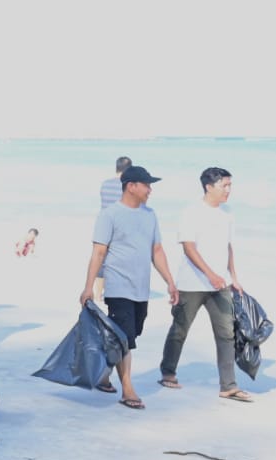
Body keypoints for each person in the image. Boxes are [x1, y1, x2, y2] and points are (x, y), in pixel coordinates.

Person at [79, 165, 181, 409]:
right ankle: (127, 390)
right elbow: (99, 252)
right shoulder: (110, 215)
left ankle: (104, 377)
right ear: (131, 186)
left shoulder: (150, 215)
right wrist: (88, 287)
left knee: (129, 335)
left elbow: (156, 250)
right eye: (147, 185)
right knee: (125, 338)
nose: (150, 190)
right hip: (118, 285)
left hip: (141, 287)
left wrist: (170, 282)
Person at [159, 167, 253, 402]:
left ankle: (228, 386)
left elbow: (228, 247)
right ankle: (168, 372)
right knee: (180, 330)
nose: (228, 190)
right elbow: (189, 248)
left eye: (230, 185)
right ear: (209, 187)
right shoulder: (192, 212)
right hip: (191, 283)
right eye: (225, 186)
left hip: (220, 285)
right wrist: (210, 274)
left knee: (226, 333)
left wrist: (233, 278)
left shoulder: (228, 213)